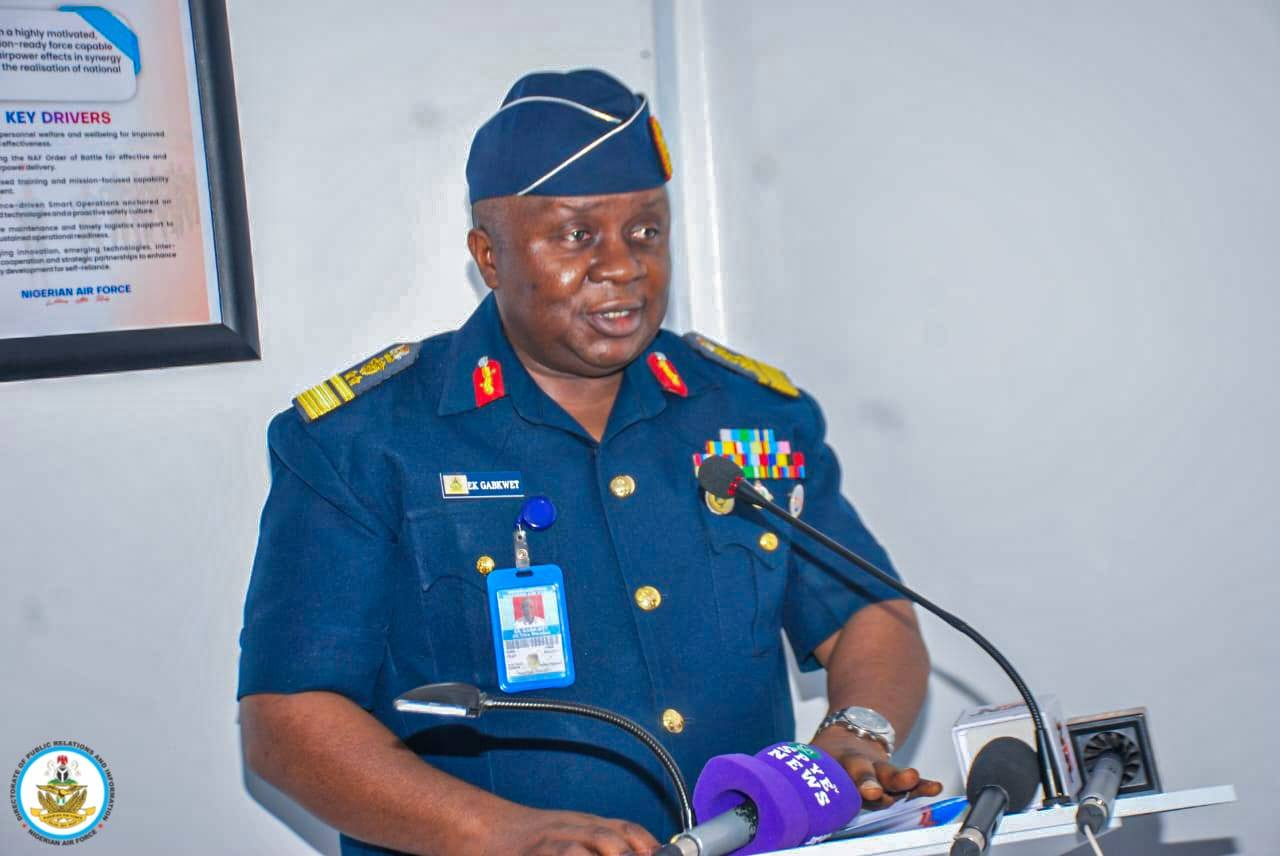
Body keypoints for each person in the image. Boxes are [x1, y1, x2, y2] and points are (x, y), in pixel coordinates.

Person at [238, 69, 940, 856]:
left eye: (646, 231)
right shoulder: (363, 442)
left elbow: (867, 616)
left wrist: (856, 732)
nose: (622, 265)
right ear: (490, 256)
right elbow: (288, 721)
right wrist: (508, 836)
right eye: (576, 236)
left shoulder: (749, 417)